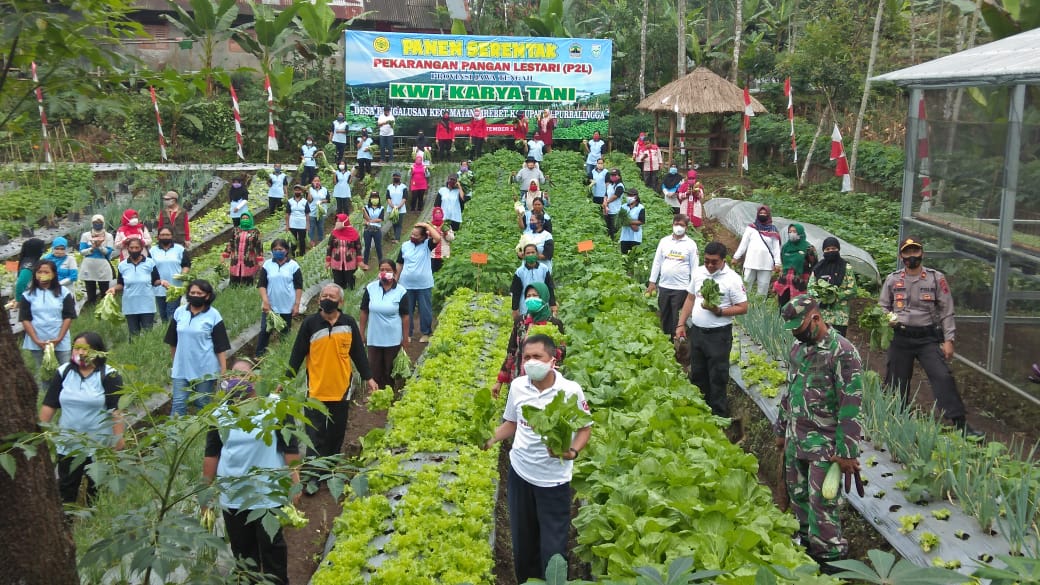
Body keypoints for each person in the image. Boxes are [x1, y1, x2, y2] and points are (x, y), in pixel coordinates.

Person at [485, 334, 590, 583]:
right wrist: (490, 439)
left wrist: (570, 452)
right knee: (523, 546)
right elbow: (511, 423)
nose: (531, 362)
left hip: (554, 482)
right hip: (520, 475)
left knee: (553, 549)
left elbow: (585, 429)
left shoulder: (570, 390)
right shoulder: (519, 386)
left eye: (537, 357)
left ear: (552, 360)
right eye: (527, 357)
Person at [775, 295, 863, 572]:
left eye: (798, 328)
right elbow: (790, 391)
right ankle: (805, 547)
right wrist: (781, 428)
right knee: (798, 495)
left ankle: (831, 561)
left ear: (815, 318)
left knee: (822, 504)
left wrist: (846, 453)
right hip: (796, 436)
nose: (795, 334)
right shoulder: (799, 348)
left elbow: (851, 405)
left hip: (825, 444)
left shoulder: (843, 352)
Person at [203, 359, 299, 585]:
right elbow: (212, 455)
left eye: (243, 376)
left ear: (256, 381)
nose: (237, 381)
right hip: (233, 496)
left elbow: (290, 446)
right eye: (232, 376)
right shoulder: (219, 415)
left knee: (273, 550)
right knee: (244, 556)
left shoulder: (275, 407)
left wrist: (295, 481)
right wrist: (205, 493)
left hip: (267, 494)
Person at [879, 236, 977, 435]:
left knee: (942, 376)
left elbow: (946, 310)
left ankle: (961, 424)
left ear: (922, 253)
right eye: (907, 252)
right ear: (901, 256)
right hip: (901, 336)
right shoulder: (893, 279)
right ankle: (896, 421)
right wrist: (888, 317)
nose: (911, 256)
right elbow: (882, 305)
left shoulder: (935, 278)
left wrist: (949, 340)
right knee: (897, 380)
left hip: (927, 338)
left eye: (915, 252)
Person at [285, 284, 378, 479]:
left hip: (341, 389)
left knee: (336, 434)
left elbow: (358, 354)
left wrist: (369, 378)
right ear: (319, 300)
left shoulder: (348, 323)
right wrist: (285, 380)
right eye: (324, 295)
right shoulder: (310, 324)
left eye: (331, 296)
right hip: (315, 391)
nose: (327, 299)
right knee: (314, 436)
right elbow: (297, 354)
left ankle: (330, 471)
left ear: (340, 301)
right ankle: (312, 477)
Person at [39, 331, 125, 504]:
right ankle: (67, 525)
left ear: (96, 351)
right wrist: (39, 434)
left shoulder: (109, 376)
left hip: (99, 446)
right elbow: (49, 404)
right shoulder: (63, 372)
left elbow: (115, 410)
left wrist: (118, 441)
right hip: (68, 445)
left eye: (84, 349)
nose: (79, 353)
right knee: (66, 489)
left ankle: (93, 525)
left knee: (97, 492)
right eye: (76, 348)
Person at [675, 241, 749, 418]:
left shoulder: (732, 279)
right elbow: (690, 299)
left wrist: (720, 311)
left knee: (717, 377)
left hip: (719, 336)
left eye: (714, 262)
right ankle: (700, 412)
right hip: (698, 333)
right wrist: (681, 324)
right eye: (707, 260)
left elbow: (743, 307)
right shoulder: (699, 273)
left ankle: (718, 417)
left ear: (723, 260)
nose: (709, 265)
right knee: (698, 373)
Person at [165, 279, 228, 417]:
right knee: (178, 403)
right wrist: (175, 362)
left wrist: (223, 370)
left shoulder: (213, 315)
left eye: (199, 293)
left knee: (202, 403)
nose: (195, 295)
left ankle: (202, 435)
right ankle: (172, 437)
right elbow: (173, 341)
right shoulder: (179, 312)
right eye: (192, 292)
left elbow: (220, 345)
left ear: (207, 295)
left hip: (205, 368)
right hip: (182, 367)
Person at [494, 284, 563, 398]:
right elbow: (511, 351)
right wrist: (499, 381)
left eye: (535, 295)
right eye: (528, 296)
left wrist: (553, 352)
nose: (531, 299)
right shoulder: (520, 322)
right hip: (519, 377)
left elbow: (562, 352)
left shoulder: (554, 323)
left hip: (545, 380)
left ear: (544, 298)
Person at [20, 259, 76, 381]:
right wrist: (36, 340)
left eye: (46, 272)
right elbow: (25, 319)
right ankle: (46, 397)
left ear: (54, 274)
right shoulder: (27, 295)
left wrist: (59, 338)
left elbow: (68, 316)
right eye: (39, 272)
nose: (42, 275)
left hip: (59, 339)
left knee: (65, 370)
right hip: (37, 340)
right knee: (44, 372)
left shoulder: (64, 293)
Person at [360, 259, 410, 391]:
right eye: (382, 270)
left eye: (388, 270)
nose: (384, 272)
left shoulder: (401, 291)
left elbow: (405, 316)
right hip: (374, 336)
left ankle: (389, 392)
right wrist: (361, 332)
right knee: (374, 366)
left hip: (393, 337)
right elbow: (364, 311)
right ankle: (375, 392)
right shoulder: (371, 288)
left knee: (389, 367)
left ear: (394, 273)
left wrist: (405, 338)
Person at [647, 214, 699, 337]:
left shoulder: (691, 244)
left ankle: (676, 341)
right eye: (676, 224)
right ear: (672, 225)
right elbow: (657, 262)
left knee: (677, 317)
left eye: (681, 225)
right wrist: (652, 281)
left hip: (681, 287)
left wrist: (694, 288)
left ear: (686, 227)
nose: (678, 227)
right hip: (664, 285)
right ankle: (666, 340)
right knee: (665, 314)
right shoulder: (664, 241)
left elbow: (694, 267)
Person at [110, 237, 165, 339]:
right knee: (133, 335)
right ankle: (134, 354)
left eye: (137, 247)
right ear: (127, 248)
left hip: (147, 305)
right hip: (130, 305)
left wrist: (162, 282)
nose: (134, 250)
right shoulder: (122, 265)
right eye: (132, 248)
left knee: (148, 334)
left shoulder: (149, 263)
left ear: (141, 248)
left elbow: (155, 281)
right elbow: (121, 284)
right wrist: (114, 289)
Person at [256, 239, 303, 357]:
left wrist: (296, 304)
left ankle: (284, 356)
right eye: (275, 250)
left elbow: (298, 286)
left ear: (286, 250)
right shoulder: (267, 265)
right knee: (265, 331)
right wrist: (265, 301)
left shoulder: (293, 266)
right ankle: (259, 357)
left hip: (287, 305)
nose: (278, 252)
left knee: (285, 333)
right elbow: (262, 284)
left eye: (280, 249)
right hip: (271, 305)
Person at [396, 222, 442, 343]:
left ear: (423, 236)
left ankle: (426, 332)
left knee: (425, 309)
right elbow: (400, 263)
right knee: (407, 309)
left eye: (416, 235)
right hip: (406, 284)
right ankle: (407, 333)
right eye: (412, 234)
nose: (413, 237)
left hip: (424, 284)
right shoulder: (405, 245)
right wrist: (395, 279)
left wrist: (427, 226)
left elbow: (437, 237)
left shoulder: (427, 245)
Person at [808, 237, 857, 336]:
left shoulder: (846, 267)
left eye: (834, 249)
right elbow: (810, 288)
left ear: (838, 250)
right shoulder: (818, 268)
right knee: (820, 343)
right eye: (828, 249)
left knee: (838, 345)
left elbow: (853, 290)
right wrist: (822, 296)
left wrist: (836, 295)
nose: (831, 251)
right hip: (821, 314)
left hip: (840, 316)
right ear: (823, 251)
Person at [733, 205, 781, 296]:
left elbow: (776, 248)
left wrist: (777, 263)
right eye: (761, 213)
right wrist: (736, 257)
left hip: (766, 264)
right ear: (757, 214)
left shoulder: (773, 230)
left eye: (765, 213)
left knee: (763, 289)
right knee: (746, 286)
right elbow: (744, 244)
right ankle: (744, 307)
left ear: (769, 215)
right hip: (751, 262)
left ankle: (759, 308)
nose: (762, 215)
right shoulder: (751, 228)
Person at [774, 223, 818, 313]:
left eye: (794, 231)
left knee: (797, 308)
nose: (792, 233)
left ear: (800, 232)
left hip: (800, 283)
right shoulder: (785, 247)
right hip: (785, 283)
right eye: (790, 232)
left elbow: (815, 265)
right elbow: (783, 261)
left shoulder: (808, 248)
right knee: (783, 308)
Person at [152, 227, 191, 322]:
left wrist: (183, 274)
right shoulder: (152, 251)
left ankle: (172, 333)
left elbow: (186, 264)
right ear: (158, 237)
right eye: (162, 235)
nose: (165, 237)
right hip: (159, 288)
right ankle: (165, 333)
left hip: (175, 287)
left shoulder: (179, 249)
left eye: (167, 235)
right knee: (163, 314)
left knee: (171, 313)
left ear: (172, 236)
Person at [510, 247, 558, 321]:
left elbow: (549, 287)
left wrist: (553, 304)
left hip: (542, 306)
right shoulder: (519, 272)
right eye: (528, 253)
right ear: (524, 255)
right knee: (527, 326)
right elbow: (516, 292)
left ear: (537, 254)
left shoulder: (544, 269)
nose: (531, 255)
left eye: (533, 252)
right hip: (525, 306)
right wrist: (515, 309)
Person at [79, 217, 115, 305]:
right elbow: (82, 251)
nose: (97, 224)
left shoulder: (108, 236)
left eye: (100, 222)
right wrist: (92, 248)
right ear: (92, 223)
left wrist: (99, 246)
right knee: (90, 288)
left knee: (104, 289)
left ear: (103, 223)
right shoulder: (86, 235)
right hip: (89, 266)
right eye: (95, 222)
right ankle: (91, 307)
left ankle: (104, 306)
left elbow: (108, 251)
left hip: (102, 265)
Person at [326, 213, 366, 290]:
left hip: (350, 261)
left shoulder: (353, 233)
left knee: (350, 282)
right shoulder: (334, 233)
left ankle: (350, 297)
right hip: (336, 261)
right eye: (336, 222)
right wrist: (328, 261)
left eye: (339, 222)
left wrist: (360, 261)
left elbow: (358, 248)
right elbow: (329, 247)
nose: (337, 224)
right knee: (338, 283)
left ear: (345, 222)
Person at [223, 211, 263, 286]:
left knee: (248, 281)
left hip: (249, 260)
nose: (244, 220)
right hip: (236, 259)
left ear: (250, 219)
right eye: (243, 218)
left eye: (246, 218)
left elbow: (259, 246)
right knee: (234, 280)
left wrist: (260, 259)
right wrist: (225, 255)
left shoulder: (255, 232)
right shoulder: (235, 230)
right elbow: (231, 243)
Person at [285, 185, 310, 257]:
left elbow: (307, 214)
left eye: (299, 190)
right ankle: (293, 254)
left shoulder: (305, 201)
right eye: (296, 190)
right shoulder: (290, 201)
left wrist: (307, 225)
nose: (297, 192)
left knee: (302, 240)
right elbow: (287, 214)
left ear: (301, 192)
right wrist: (287, 225)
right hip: (292, 224)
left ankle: (302, 254)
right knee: (293, 241)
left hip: (302, 224)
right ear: (293, 191)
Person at [619, 189, 646, 255]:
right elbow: (620, 220)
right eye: (628, 195)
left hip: (635, 237)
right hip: (624, 237)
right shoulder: (623, 206)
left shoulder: (640, 207)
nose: (628, 196)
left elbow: (642, 221)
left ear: (636, 196)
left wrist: (629, 222)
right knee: (624, 256)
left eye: (630, 195)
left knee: (634, 256)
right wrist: (631, 223)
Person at [362, 191, 385, 267]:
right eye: (373, 197)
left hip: (377, 229)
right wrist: (364, 211)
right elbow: (366, 218)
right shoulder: (366, 207)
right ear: (370, 198)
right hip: (368, 229)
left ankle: (381, 263)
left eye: (376, 197)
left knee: (378, 246)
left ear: (378, 198)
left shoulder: (381, 208)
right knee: (367, 246)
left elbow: (380, 219)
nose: (374, 199)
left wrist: (371, 221)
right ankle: (365, 263)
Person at [602, 168, 625, 240]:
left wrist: (606, 202)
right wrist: (605, 204)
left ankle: (614, 242)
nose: (612, 176)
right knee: (608, 228)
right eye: (611, 175)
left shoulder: (620, 186)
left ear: (619, 176)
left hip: (615, 211)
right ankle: (610, 241)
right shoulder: (610, 185)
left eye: (614, 175)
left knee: (614, 229)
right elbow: (606, 194)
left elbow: (615, 196)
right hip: (607, 210)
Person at [386, 170, 408, 243]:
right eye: (395, 176)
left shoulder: (403, 187)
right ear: (393, 177)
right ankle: (396, 236)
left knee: (399, 223)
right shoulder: (389, 187)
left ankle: (397, 239)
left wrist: (399, 206)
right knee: (394, 223)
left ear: (400, 177)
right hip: (391, 208)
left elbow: (404, 198)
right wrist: (392, 206)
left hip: (401, 209)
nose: (396, 177)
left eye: (397, 176)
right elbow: (388, 197)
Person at [430, 207, 454, 273]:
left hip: (444, 254)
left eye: (439, 213)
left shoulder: (446, 226)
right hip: (432, 254)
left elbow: (451, 238)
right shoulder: (430, 226)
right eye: (436, 213)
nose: (438, 214)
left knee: (443, 272)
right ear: (433, 215)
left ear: (442, 214)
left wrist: (446, 233)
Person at [308, 176, 329, 247]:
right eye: (315, 181)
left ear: (320, 182)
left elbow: (328, 200)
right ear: (312, 182)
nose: (317, 182)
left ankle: (320, 241)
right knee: (312, 227)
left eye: (318, 181)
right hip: (312, 212)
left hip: (321, 212)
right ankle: (311, 241)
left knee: (320, 227)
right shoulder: (310, 189)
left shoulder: (324, 189)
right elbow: (309, 200)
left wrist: (321, 201)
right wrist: (309, 192)